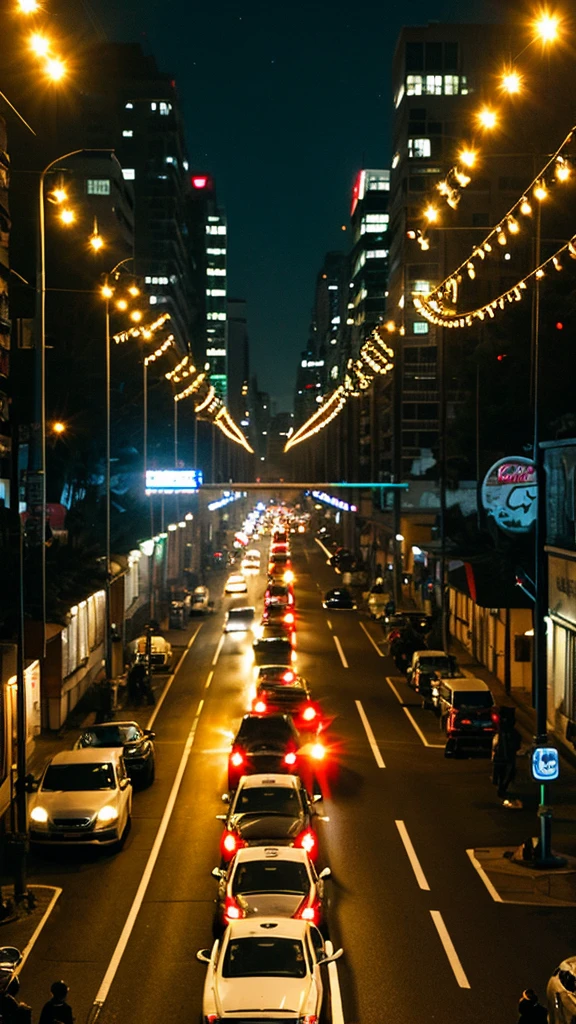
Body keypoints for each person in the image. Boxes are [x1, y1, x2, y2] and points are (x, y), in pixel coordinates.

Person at [492, 706, 522, 801]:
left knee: (503, 771)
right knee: (507, 771)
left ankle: (501, 786)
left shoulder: (504, 731)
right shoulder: (510, 732)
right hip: (507, 755)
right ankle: (502, 787)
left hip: (503, 755)